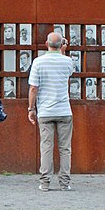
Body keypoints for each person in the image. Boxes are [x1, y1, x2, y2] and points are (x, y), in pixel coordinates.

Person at [27, 33, 74, 192]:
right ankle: (64, 183)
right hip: (64, 110)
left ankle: (45, 182)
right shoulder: (67, 61)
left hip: (45, 111)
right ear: (61, 44)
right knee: (65, 148)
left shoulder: (38, 62)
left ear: (46, 43)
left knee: (46, 147)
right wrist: (64, 51)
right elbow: (67, 73)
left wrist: (31, 108)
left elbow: (33, 88)